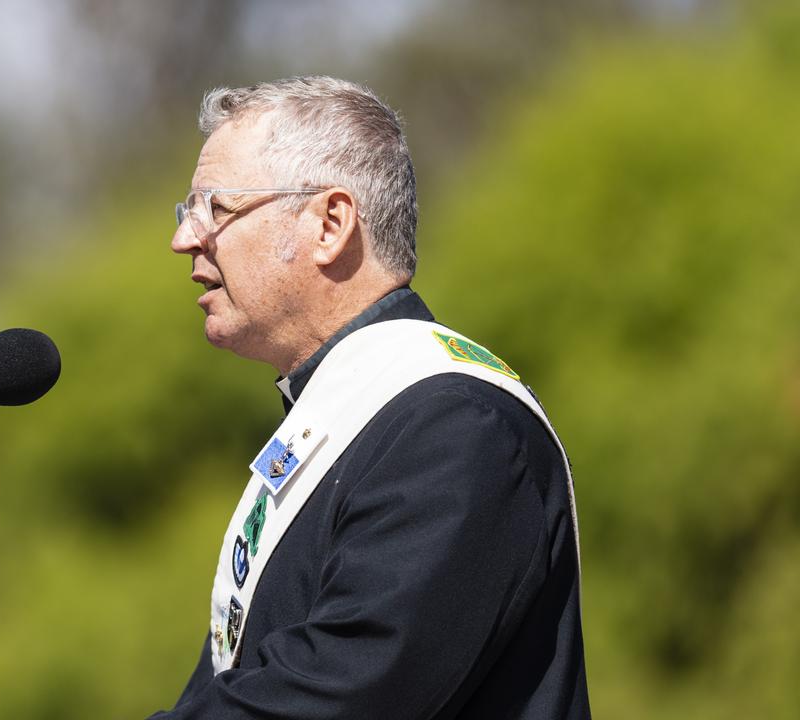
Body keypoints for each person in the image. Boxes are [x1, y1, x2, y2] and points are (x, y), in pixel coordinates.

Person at [153, 76, 590, 719]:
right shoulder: (347, 424)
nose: (185, 238)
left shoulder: (456, 425)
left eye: (215, 208)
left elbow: (343, 688)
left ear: (331, 224)